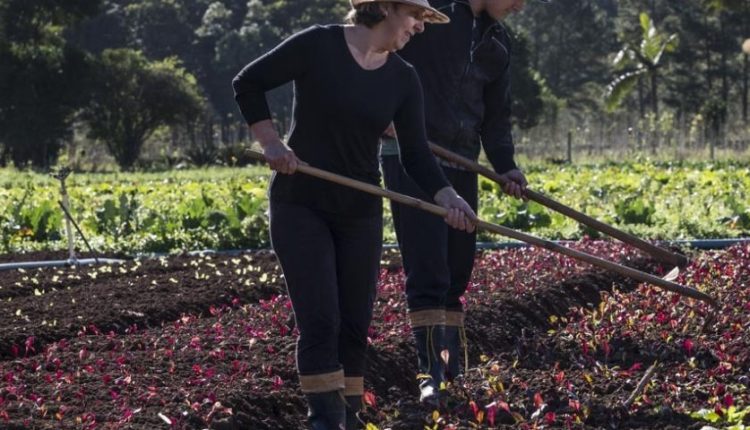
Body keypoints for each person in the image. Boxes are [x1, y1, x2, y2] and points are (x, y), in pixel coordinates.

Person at [232, 1, 477, 428]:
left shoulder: (404, 78)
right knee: (321, 319)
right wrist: (271, 142)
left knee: (353, 325)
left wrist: (448, 197)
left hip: (359, 212)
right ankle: (324, 421)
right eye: (415, 16)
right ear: (385, 8)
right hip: (300, 203)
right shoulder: (318, 45)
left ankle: (347, 416)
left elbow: (416, 155)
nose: (420, 27)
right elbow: (248, 83)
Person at [380, 0, 543, 404]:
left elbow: (495, 115)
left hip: (462, 161)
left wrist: (506, 166)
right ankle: (429, 375)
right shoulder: (429, 18)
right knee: (429, 267)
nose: (520, 6)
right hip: (412, 155)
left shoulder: (498, 42)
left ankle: (452, 370)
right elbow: (382, 56)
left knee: (457, 268)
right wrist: (380, 113)